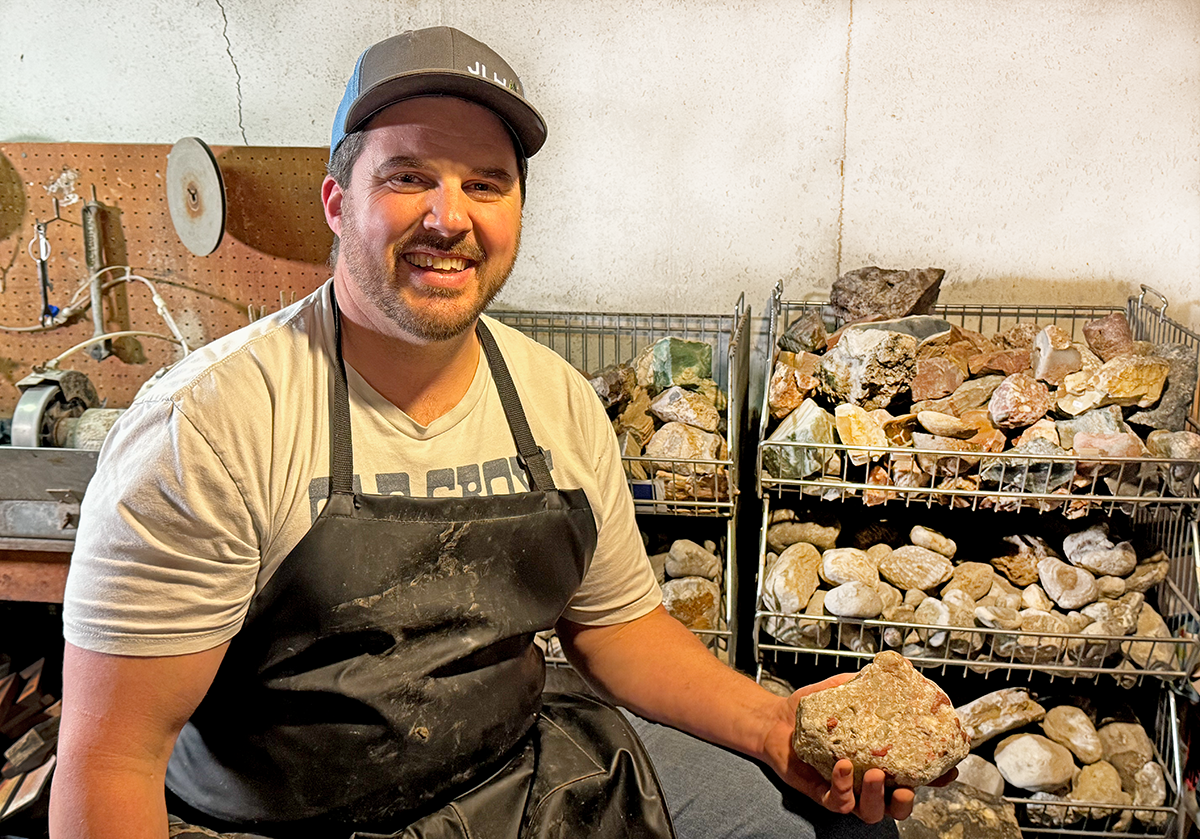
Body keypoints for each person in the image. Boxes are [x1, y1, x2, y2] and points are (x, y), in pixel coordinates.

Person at [50, 26, 943, 839]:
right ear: (335, 200)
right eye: (408, 177)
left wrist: (774, 724)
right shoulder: (210, 426)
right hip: (284, 821)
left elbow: (618, 626)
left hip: (515, 784)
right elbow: (111, 761)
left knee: (837, 829)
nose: (450, 217)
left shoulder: (552, 398)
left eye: (486, 183)